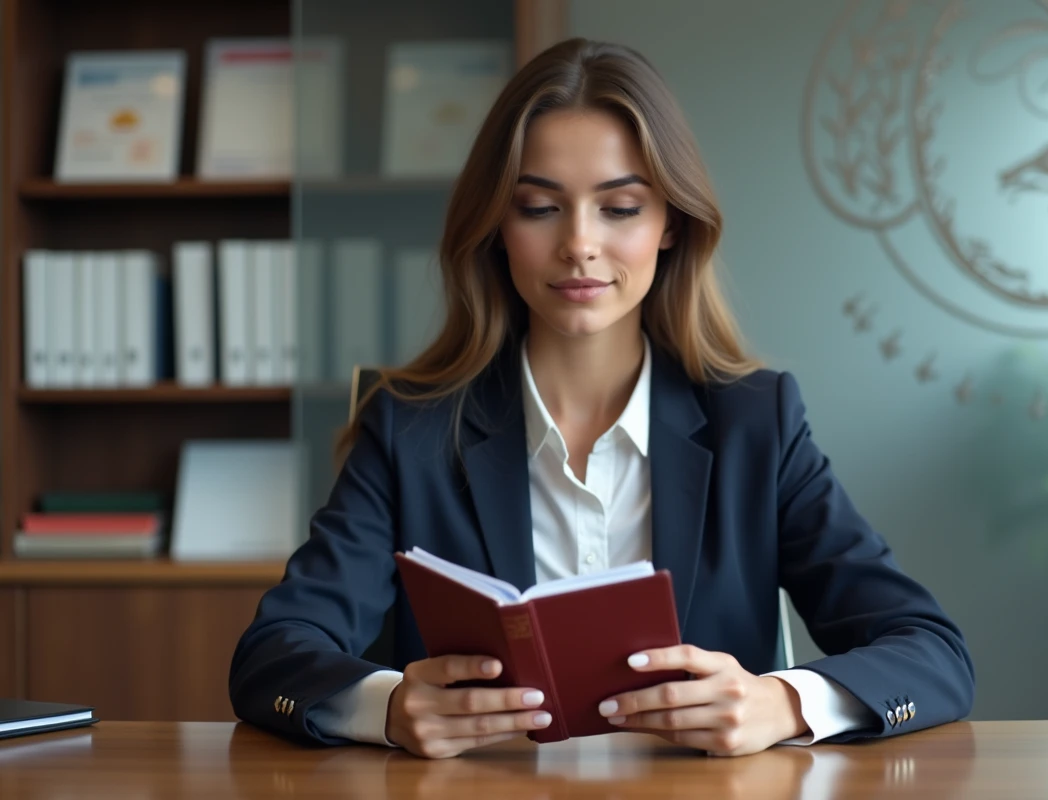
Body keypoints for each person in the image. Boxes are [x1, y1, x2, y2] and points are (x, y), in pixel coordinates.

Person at [228, 37, 974, 759]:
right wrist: (389, 708)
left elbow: (932, 654)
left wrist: (778, 704)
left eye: (619, 207)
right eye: (539, 207)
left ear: (670, 223)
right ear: (496, 226)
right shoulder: (413, 428)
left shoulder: (757, 423)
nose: (579, 244)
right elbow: (273, 659)